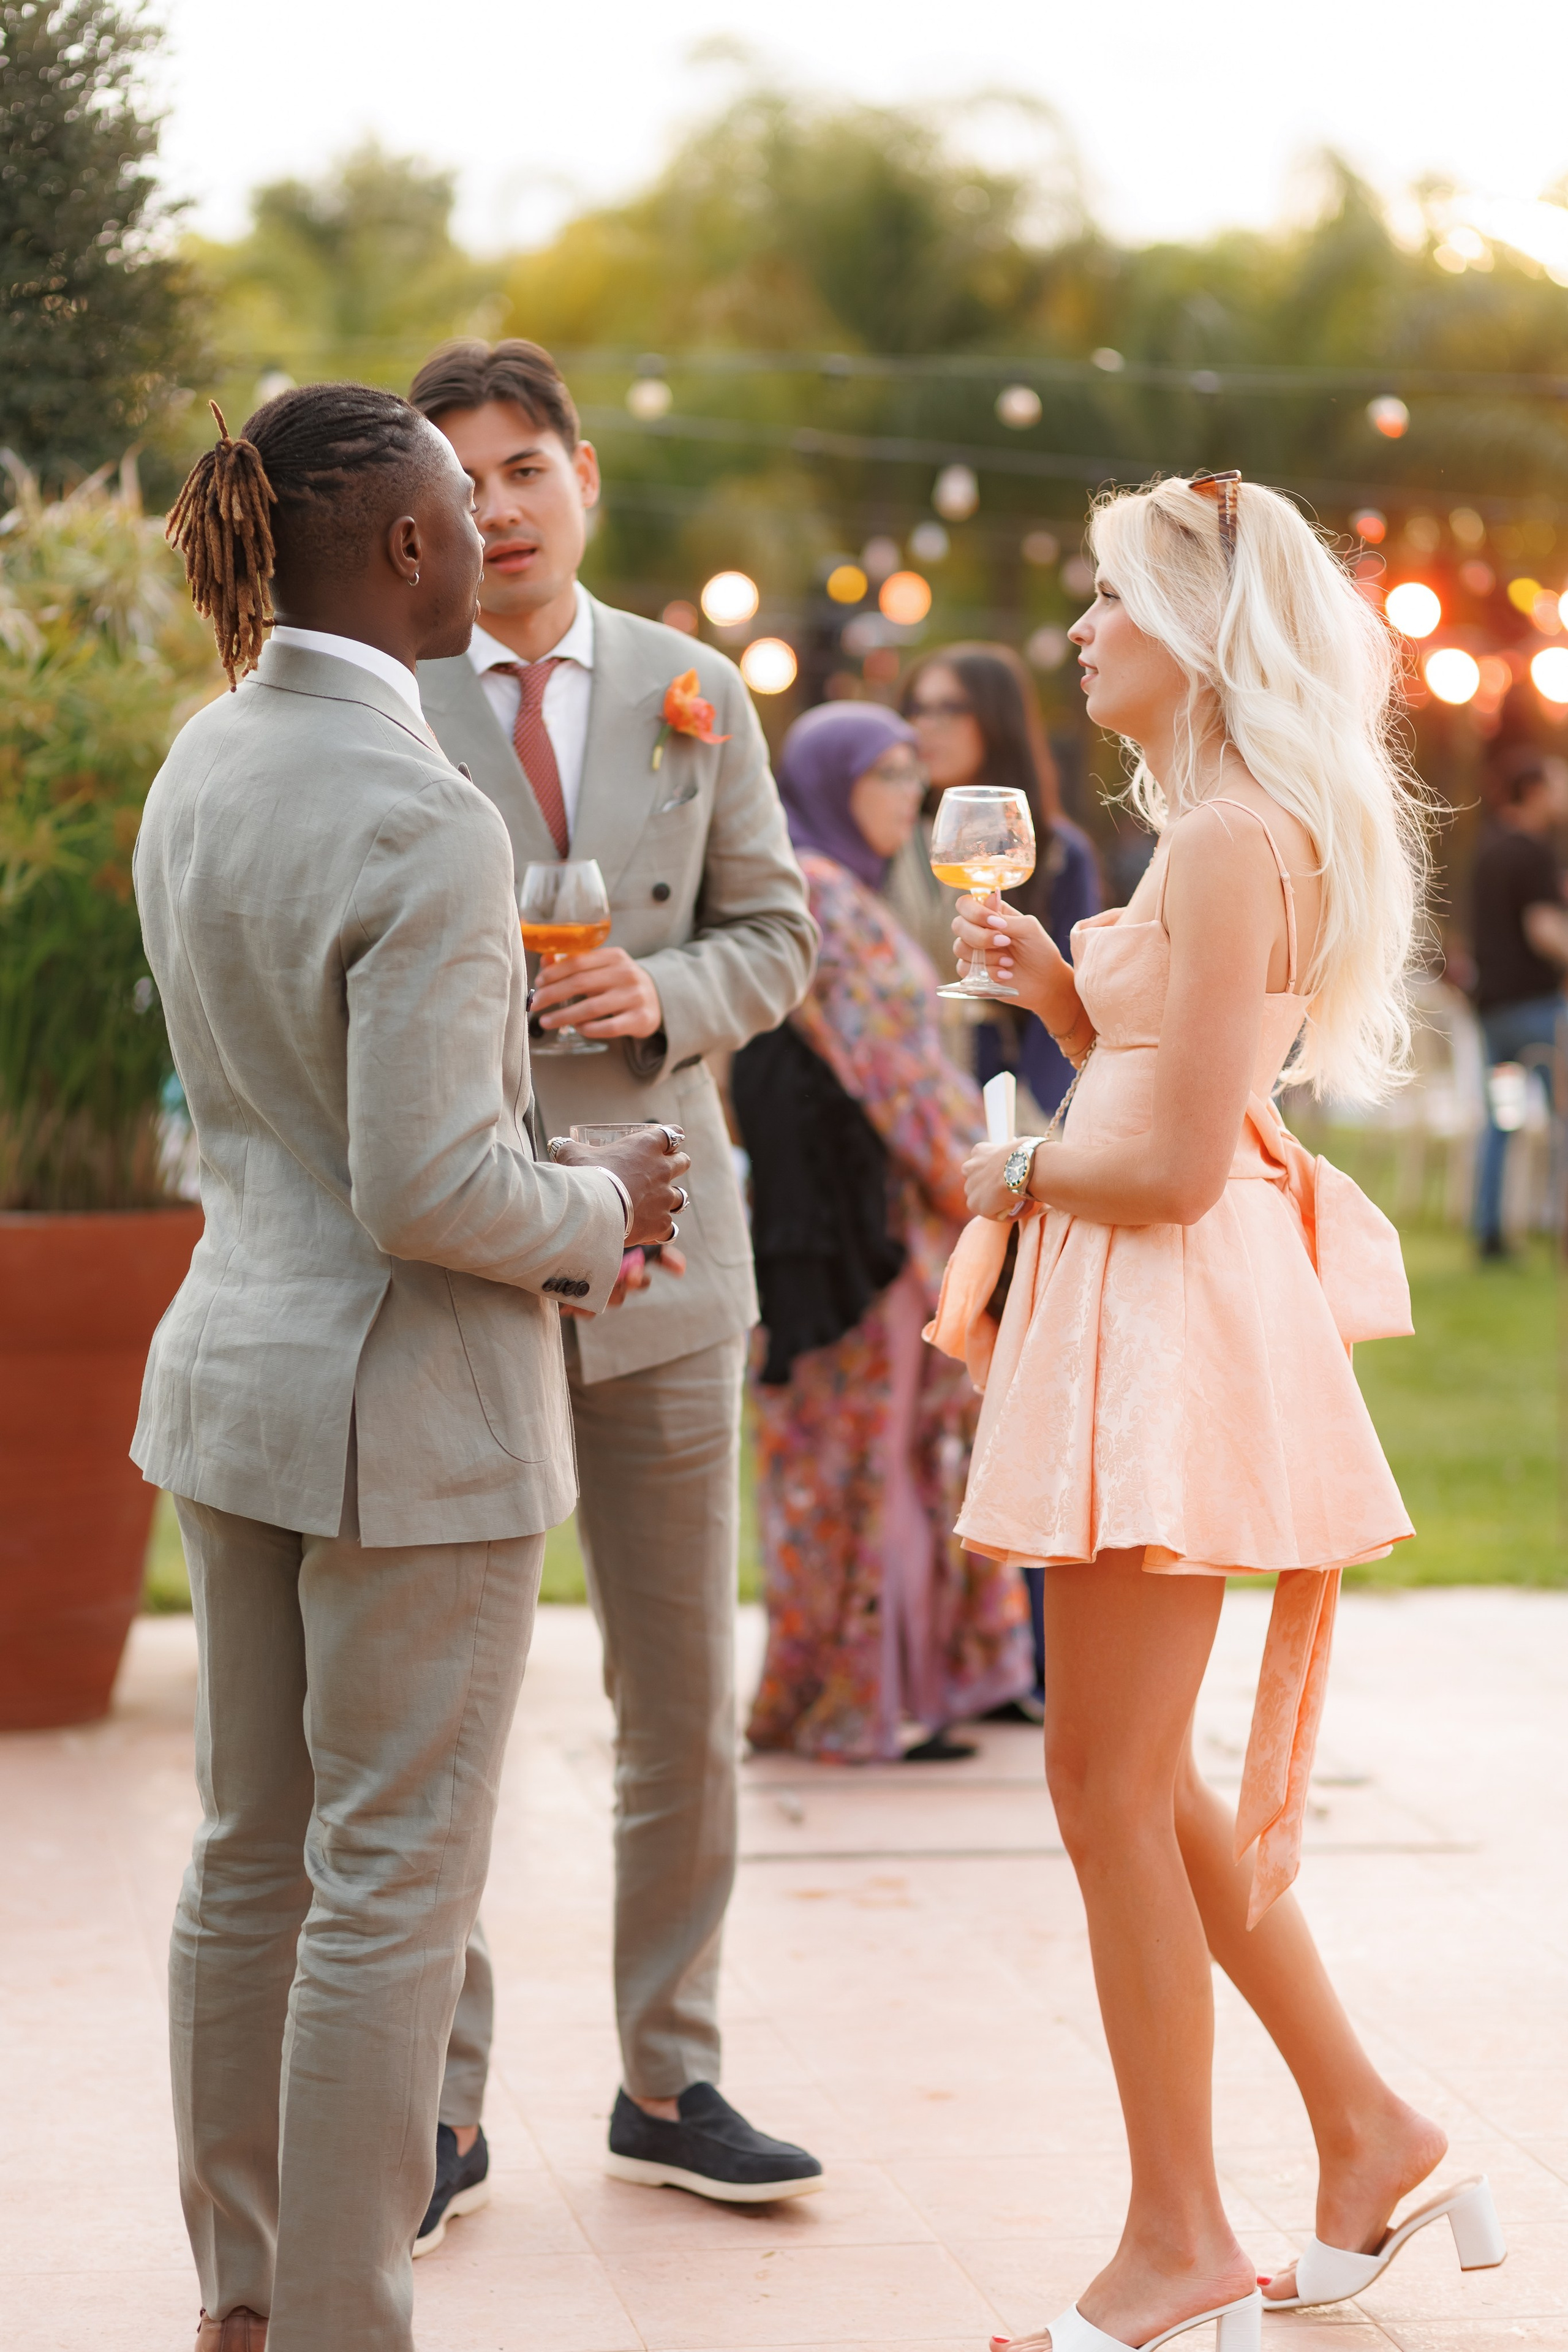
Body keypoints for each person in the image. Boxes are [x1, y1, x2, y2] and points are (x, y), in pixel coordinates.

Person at [137, 386, 687, 2352]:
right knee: (382, 1887)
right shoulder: (423, 812)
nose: (490, 536)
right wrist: (604, 1193)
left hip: (234, 1374)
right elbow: (429, 1185)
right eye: (464, 506)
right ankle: (350, 2322)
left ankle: (248, 2296)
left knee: (245, 1858)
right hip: (405, 1421)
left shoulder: (202, 758)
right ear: (399, 548)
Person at [930, 472, 1505, 2352]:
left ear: (1192, 631)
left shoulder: (1233, 836)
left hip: (1165, 1316)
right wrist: (1067, 1008)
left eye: (1104, 602)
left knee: (1101, 1780)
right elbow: (1175, 1083)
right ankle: (1367, 2132)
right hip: (1155, 1311)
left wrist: (999, 1177)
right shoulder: (1222, 831)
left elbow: (1170, 1176)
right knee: (1130, 1773)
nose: (1078, 633)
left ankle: (1177, 2234)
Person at [405, 338, 821, 2220]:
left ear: (582, 476)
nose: (491, 510)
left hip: (666, 1244)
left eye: (520, 471)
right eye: (457, 480)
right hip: (472, 1242)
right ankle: (440, 2103)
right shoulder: (386, 695)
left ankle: (673, 2073)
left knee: (677, 1692)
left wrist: (670, 993)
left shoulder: (692, 687)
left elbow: (781, 932)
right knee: (453, 1704)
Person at [733, 703, 1032, 1764]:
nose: (911, 794)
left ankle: (879, 1692)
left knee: (880, 1460)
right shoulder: (818, 893)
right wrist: (1015, 1181)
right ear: (828, 779)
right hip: (853, 1241)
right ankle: (855, 1704)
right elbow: (900, 1082)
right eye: (889, 772)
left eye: (918, 773)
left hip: (850, 1229)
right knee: (859, 1464)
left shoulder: (829, 886)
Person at [892, 641, 1101, 1118]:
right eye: (917, 708)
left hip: (1004, 1090)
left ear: (997, 719)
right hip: (899, 1094)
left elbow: (1074, 989)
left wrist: (1034, 1119)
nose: (927, 725)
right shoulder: (889, 838)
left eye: (951, 708)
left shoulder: (1056, 852)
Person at [1469, 745, 1568, 1257]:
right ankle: (1559, 1226)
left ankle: (1490, 1232)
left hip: (1494, 1016)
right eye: (1557, 785)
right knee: (1565, 1113)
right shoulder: (1533, 850)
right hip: (1538, 1014)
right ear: (1533, 793)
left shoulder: (1489, 848)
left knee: (1503, 1121)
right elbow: (1544, 930)